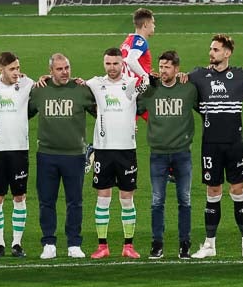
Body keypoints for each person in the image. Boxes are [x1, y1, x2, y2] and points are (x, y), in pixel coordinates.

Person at [188, 35, 243, 259]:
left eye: (216, 50)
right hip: (210, 145)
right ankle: (210, 245)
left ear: (227, 53)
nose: (211, 53)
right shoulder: (198, 75)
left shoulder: (242, 76)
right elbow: (176, 83)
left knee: (238, 192)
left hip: (234, 145)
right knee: (213, 192)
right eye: (211, 49)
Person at [30, 52, 95, 259]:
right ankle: (49, 242)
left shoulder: (81, 90)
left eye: (67, 67)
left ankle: (74, 243)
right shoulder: (39, 90)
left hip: (74, 155)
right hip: (47, 155)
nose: (64, 72)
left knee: (74, 201)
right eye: (59, 69)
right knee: (46, 201)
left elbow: (102, 112)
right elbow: (23, 112)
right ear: (50, 71)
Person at [139, 50, 200, 259]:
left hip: (182, 153)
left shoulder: (188, 89)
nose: (163, 70)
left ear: (176, 69)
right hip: (158, 154)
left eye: (167, 67)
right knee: (157, 201)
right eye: (161, 66)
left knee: (185, 200)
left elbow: (204, 107)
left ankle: (185, 244)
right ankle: (157, 244)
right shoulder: (150, 91)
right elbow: (132, 106)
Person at [87, 47, 144, 258]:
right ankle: (103, 246)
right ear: (104, 64)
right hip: (103, 149)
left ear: (123, 64)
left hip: (127, 150)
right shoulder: (95, 84)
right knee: (103, 198)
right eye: (108, 63)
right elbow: (74, 87)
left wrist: (136, 65)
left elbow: (146, 81)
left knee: (127, 198)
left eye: (116, 63)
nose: (112, 68)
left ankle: (128, 245)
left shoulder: (130, 85)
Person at [0, 51, 36, 257]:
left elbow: (43, 88)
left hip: (20, 149)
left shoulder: (26, 83)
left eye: (18, 68)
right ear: (1, 69)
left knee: (19, 196)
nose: (16, 73)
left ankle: (17, 243)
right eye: (12, 69)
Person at [120, 7, 156, 85]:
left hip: (125, 84)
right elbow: (131, 60)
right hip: (137, 87)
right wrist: (145, 76)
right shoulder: (140, 42)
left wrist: (147, 72)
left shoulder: (127, 41)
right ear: (146, 24)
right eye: (153, 23)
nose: (154, 26)